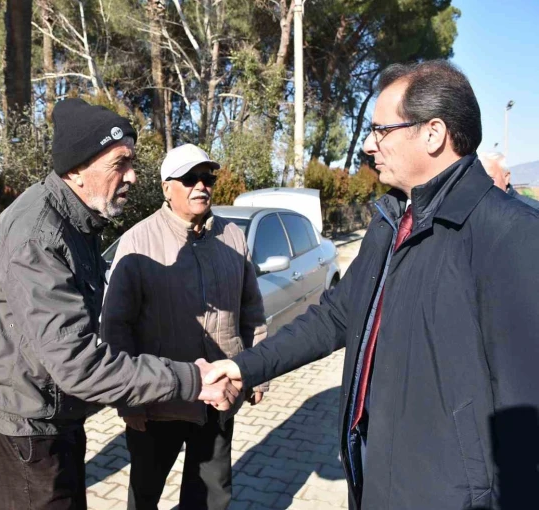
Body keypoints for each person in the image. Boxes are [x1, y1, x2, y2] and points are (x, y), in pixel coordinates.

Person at [202, 60, 539, 509]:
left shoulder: (509, 234)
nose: (367, 145)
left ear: (433, 133)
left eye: (381, 130)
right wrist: (247, 367)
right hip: (374, 473)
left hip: (449, 496)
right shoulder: (392, 221)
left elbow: (525, 416)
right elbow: (335, 316)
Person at [0, 99, 240, 510]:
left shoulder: (77, 220)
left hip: (50, 411)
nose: (133, 176)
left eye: (132, 162)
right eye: (120, 163)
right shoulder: (39, 238)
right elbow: (80, 365)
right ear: (76, 170)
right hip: (22, 423)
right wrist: (192, 378)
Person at [101, 144, 268, 510]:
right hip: (159, 399)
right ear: (166, 187)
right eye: (189, 178)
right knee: (145, 493)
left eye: (206, 178)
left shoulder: (233, 237)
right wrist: (126, 401)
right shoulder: (138, 242)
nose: (201, 186)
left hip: (221, 395)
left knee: (211, 494)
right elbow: (116, 329)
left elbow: (251, 310)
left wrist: (256, 373)